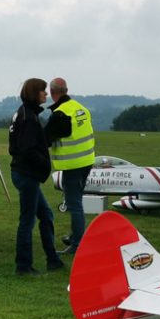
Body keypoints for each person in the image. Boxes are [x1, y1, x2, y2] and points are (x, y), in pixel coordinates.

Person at [9, 78, 64, 276]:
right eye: (42, 91)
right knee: (27, 221)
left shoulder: (23, 113)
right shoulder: (29, 118)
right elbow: (26, 149)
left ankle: (53, 260)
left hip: (23, 173)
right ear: (34, 93)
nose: (46, 94)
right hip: (27, 175)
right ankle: (23, 266)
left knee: (46, 215)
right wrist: (43, 162)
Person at [45, 77, 95, 254]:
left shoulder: (60, 113)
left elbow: (46, 138)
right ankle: (76, 237)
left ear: (53, 93)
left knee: (74, 204)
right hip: (87, 162)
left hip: (72, 165)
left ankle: (77, 245)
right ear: (66, 90)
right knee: (77, 202)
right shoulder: (81, 108)